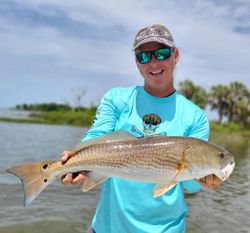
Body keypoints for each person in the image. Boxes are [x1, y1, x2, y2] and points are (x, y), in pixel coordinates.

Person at [61, 24, 222, 233]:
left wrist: (204, 180)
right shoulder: (116, 98)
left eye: (162, 53)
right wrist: (79, 161)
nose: (153, 62)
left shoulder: (196, 117)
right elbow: (97, 135)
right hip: (107, 227)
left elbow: (188, 186)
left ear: (176, 56)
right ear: (137, 63)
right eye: (143, 56)